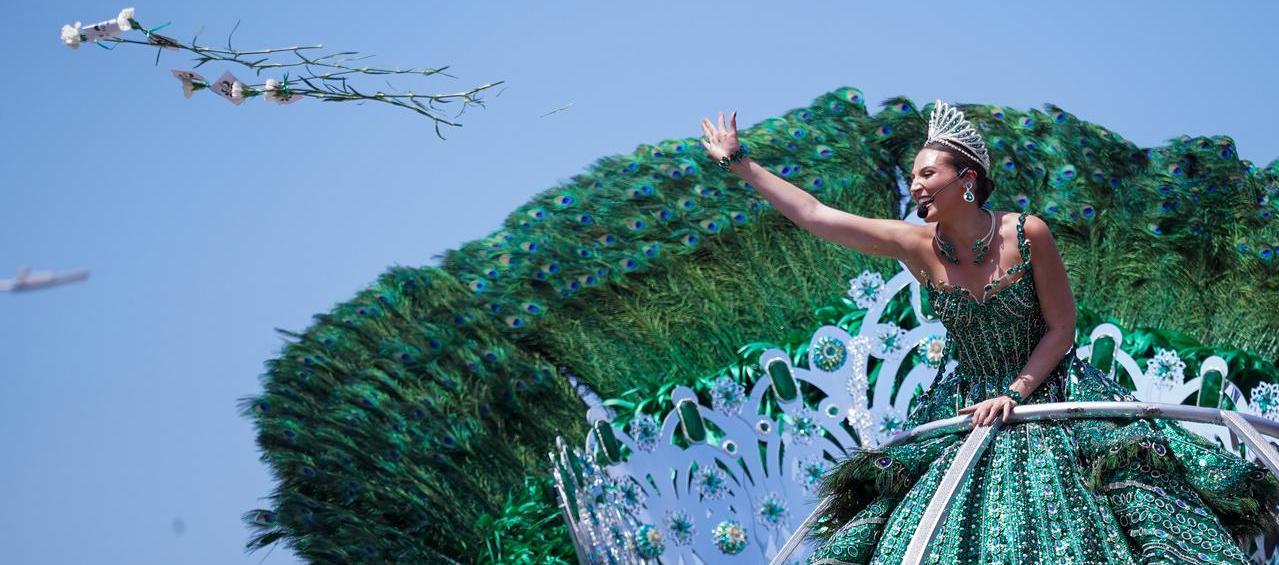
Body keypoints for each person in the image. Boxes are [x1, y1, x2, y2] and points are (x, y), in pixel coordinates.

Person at [699, 101, 1279, 563]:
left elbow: (1062, 328)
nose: (916, 186)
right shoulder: (915, 244)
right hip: (963, 407)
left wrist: (1016, 393)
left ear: (967, 179)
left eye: (928, 174)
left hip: (1050, 397)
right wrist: (741, 164)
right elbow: (818, 216)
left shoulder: (1028, 234)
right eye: (912, 177)